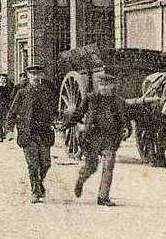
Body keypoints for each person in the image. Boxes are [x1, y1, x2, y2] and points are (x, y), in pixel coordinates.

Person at [62, 72, 130, 206]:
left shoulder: (119, 102)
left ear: (113, 86)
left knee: (108, 166)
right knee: (91, 166)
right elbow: (79, 113)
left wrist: (127, 130)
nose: (104, 88)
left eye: (107, 85)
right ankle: (81, 180)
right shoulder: (90, 98)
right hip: (92, 138)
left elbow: (125, 120)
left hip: (110, 138)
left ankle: (103, 197)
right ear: (98, 85)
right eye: (101, 85)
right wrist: (66, 125)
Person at [8, 65, 57, 202]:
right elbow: (12, 112)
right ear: (28, 76)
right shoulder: (22, 93)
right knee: (33, 163)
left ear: (42, 76)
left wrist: (54, 122)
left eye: (38, 74)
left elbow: (54, 111)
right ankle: (35, 191)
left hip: (44, 132)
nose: (35, 77)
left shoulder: (47, 92)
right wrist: (10, 129)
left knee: (46, 163)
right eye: (32, 74)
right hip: (27, 132)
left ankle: (39, 183)